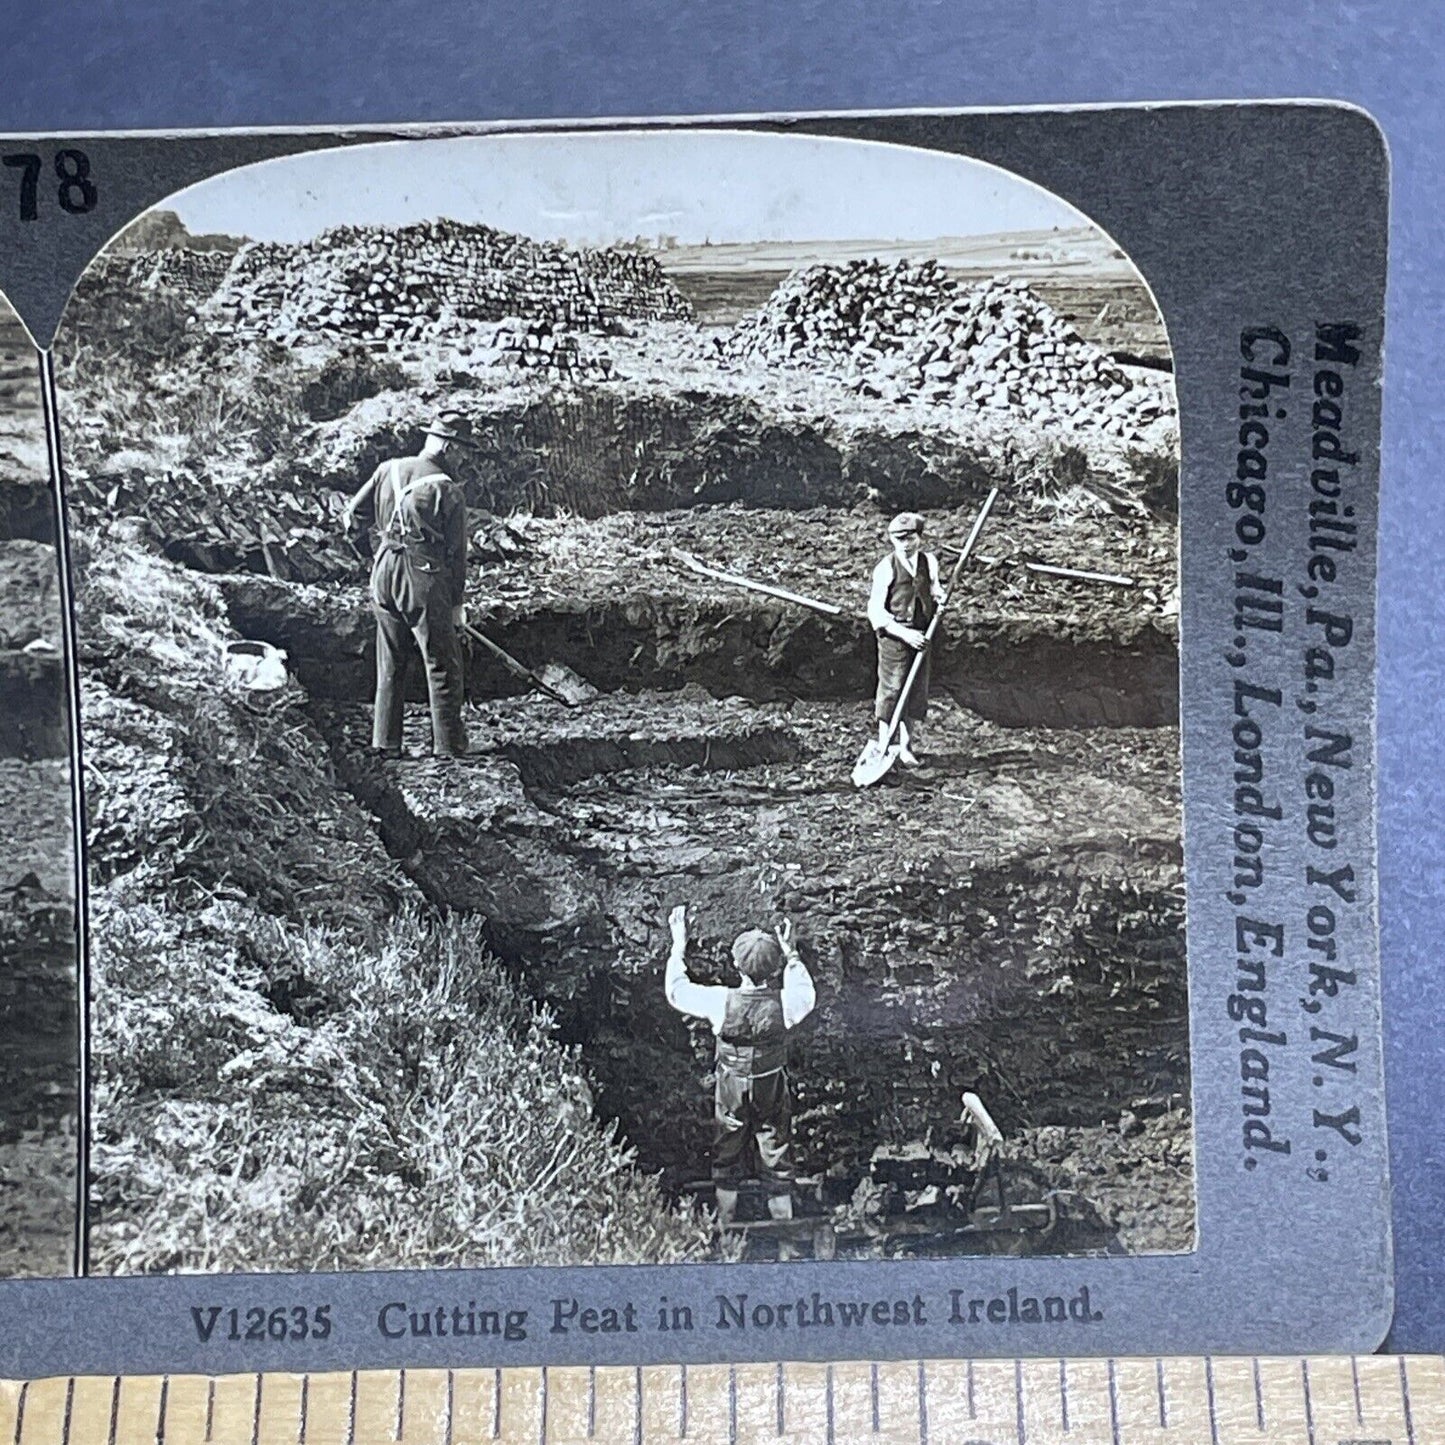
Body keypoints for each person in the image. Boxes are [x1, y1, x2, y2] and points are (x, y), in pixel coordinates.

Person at [663, 904, 817, 1235]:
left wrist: (678, 946)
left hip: (732, 1085)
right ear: (773, 970)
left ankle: (726, 1229)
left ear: (735, 965)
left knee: (727, 1150)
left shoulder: (720, 1001)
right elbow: (806, 994)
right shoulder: (786, 1003)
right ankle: (786, 1239)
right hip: (770, 1085)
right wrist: (792, 955)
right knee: (776, 1152)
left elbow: (677, 992)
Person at [342, 412, 473, 758]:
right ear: (447, 447)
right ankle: (449, 749)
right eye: (462, 452)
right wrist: (457, 605)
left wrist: (371, 555)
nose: (464, 460)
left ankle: (385, 744)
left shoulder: (389, 469)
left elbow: (351, 518)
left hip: (384, 573)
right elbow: (457, 555)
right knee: (443, 664)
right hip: (423, 579)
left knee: (390, 663)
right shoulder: (448, 490)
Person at [865, 510, 948, 767]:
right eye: (899, 539)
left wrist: (940, 598)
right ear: (892, 540)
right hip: (895, 637)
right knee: (892, 690)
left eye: (910, 538)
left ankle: (905, 747)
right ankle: (883, 746)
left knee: (914, 691)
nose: (905, 544)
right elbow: (875, 612)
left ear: (919, 538)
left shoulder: (929, 562)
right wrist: (904, 634)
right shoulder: (885, 568)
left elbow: (934, 588)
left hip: (922, 635)